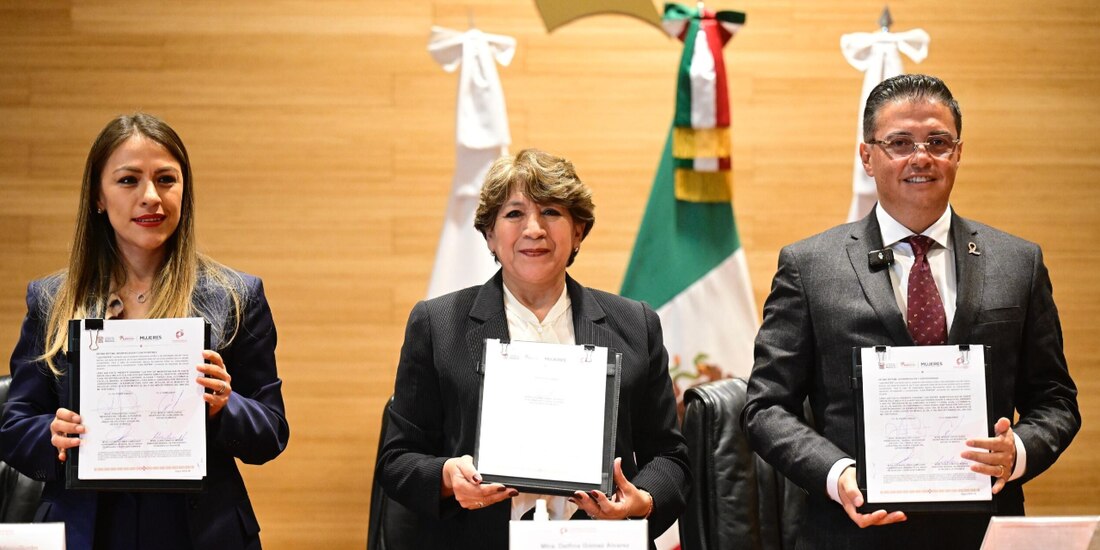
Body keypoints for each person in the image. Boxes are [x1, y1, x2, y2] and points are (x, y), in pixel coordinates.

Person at [743, 74, 1080, 550]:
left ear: (958, 152)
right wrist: (839, 475)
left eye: (938, 142)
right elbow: (765, 408)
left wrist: (1017, 452)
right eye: (899, 142)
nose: (921, 157)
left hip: (982, 533)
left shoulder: (1017, 262)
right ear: (867, 156)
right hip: (851, 533)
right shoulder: (809, 266)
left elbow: (1056, 399)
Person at [0, 113, 290, 549]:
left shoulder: (235, 296)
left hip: (200, 530)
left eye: (166, 180)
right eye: (128, 180)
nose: (151, 197)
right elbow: (13, 425)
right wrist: (52, 435)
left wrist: (225, 406)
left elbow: (270, 432)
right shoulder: (51, 299)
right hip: (86, 529)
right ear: (98, 196)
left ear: (184, 191)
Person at [377, 148, 690, 549]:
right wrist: (446, 477)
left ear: (579, 230)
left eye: (552, 213)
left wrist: (641, 500)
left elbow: (670, 457)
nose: (534, 229)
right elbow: (397, 459)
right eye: (514, 214)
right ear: (489, 234)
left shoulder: (635, 325)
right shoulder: (438, 325)